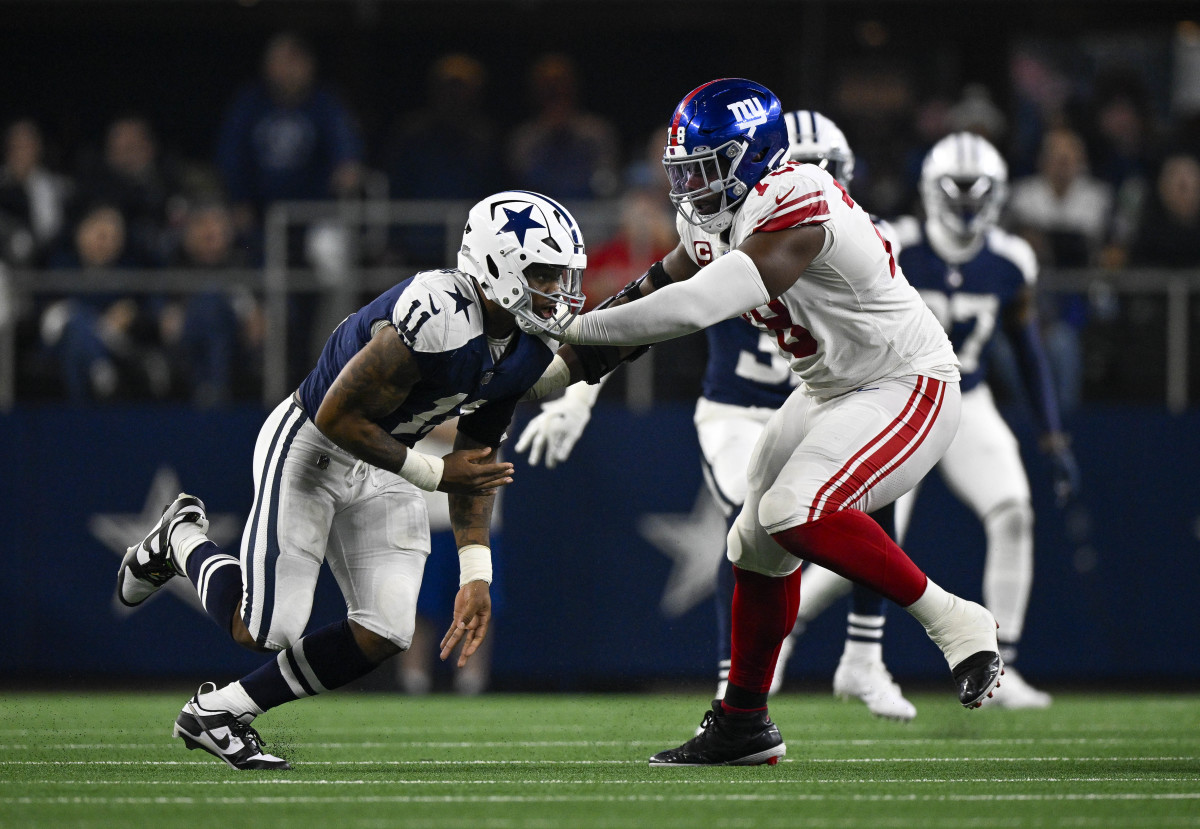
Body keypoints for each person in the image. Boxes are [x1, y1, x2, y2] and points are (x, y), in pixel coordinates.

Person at [551, 79, 1004, 766]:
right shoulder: (714, 216)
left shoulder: (795, 200)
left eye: (707, 168)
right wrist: (554, 369)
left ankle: (954, 620)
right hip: (830, 386)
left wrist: (569, 324)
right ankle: (744, 723)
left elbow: (691, 307)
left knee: (796, 507)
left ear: (754, 155)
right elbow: (656, 289)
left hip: (906, 380)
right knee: (753, 543)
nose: (692, 186)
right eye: (685, 171)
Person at [116, 190, 599, 770]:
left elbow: (475, 466)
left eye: (561, 273)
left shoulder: (525, 344)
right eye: (543, 274)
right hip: (313, 446)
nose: (557, 290)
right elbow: (337, 416)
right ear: (496, 267)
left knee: (386, 628)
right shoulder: (437, 309)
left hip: (390, 459)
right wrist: (431, 471)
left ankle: (220, 712)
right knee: (263, 628)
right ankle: (180, 540)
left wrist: (476, 574)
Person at [516, 110, 916, 722]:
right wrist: (578, 392)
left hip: (823, 401)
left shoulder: (853, 234)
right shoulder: (719, 228)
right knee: (757, 524)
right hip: (737, 409)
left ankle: (861, 653)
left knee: (869, 507)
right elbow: (653, 305)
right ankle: (741, 681)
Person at [785, 132, 1080, 710]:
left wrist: (1052, 434)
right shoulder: (895, 240)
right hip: (901, 396)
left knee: (1014, 512)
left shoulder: (1011, 260)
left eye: (979, 194)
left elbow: (1027, 348)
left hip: (971, 401)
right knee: (872, 539)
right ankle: (785, 630)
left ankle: (1003, 664)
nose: (968, 206)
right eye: (958, 193)